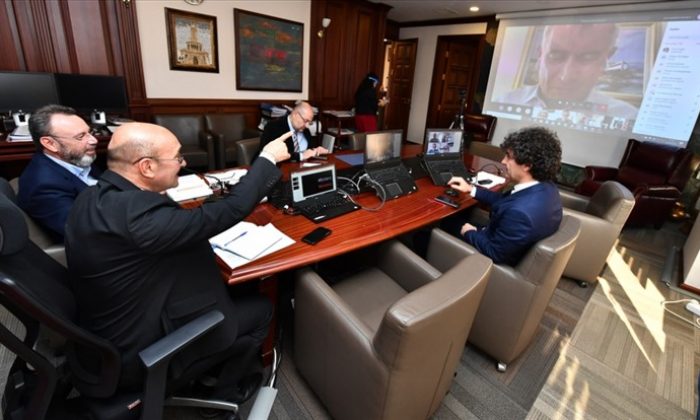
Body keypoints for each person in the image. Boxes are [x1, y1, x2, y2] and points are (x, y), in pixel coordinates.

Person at [64, 122, 291, 401]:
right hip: (139, 354)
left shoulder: (94, 196)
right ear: (146, 167)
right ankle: (224, 393)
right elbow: (232, 209)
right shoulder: (140, 219)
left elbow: (183, 222)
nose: (183, 163)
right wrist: (267, 157)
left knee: (235, 286)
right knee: (263, 308)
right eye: (177, 157)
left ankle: (211, 370)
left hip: (109, 328)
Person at [442, 126, 563, 265]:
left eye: (509, 157)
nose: (503, 161)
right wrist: (471, 189)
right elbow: (506, 201)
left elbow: (495, 254)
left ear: (527, 165)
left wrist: (469, 232)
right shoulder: (547, 187)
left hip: (489, 258)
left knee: (438, 226)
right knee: (457, 216)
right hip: (503, 238)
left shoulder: (519, 214)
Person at [498, 24, 637, 119]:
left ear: (608, 57)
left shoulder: (626, 115)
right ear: (540, 54)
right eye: (555, 55)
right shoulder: (505, 101)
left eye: (588, 58)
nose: (566, 76)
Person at [17, 104, 100, 242]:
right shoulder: (43, 186)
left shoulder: (75, 159)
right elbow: (87, 231)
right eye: (81, 136)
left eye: (90, 132)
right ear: (50, 144)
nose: (94, 140)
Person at [258, 101, 328, 162]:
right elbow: (269, 155)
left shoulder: (305, 130)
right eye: (306, 121)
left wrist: (316, 150)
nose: (307, 126)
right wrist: (301, 156)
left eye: (309, 122)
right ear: (295, 115)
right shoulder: (273, 127)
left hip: (304, 168)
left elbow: (309, 150)